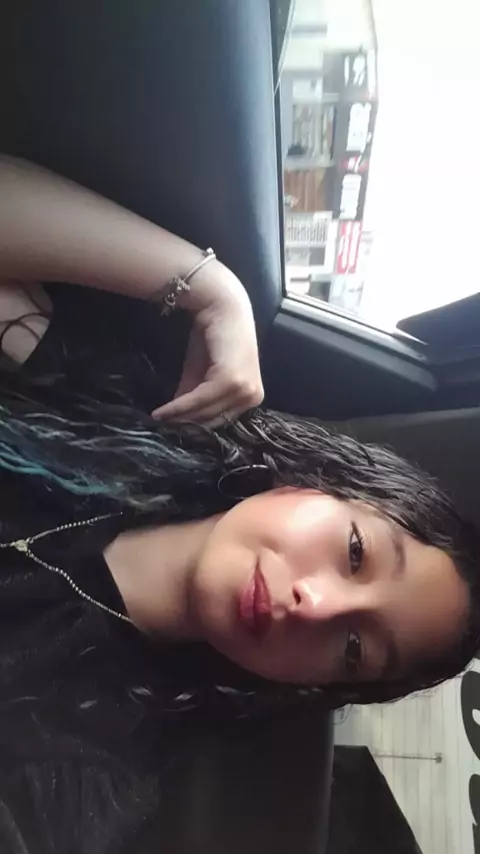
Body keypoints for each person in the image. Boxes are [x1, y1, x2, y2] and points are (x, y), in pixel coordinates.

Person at [0, 156, 479, 852]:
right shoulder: (111, 405)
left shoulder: (83, 763)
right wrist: (213, 290)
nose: (315, 605)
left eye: (353, 649)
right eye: (355, 553)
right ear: (319, 484)